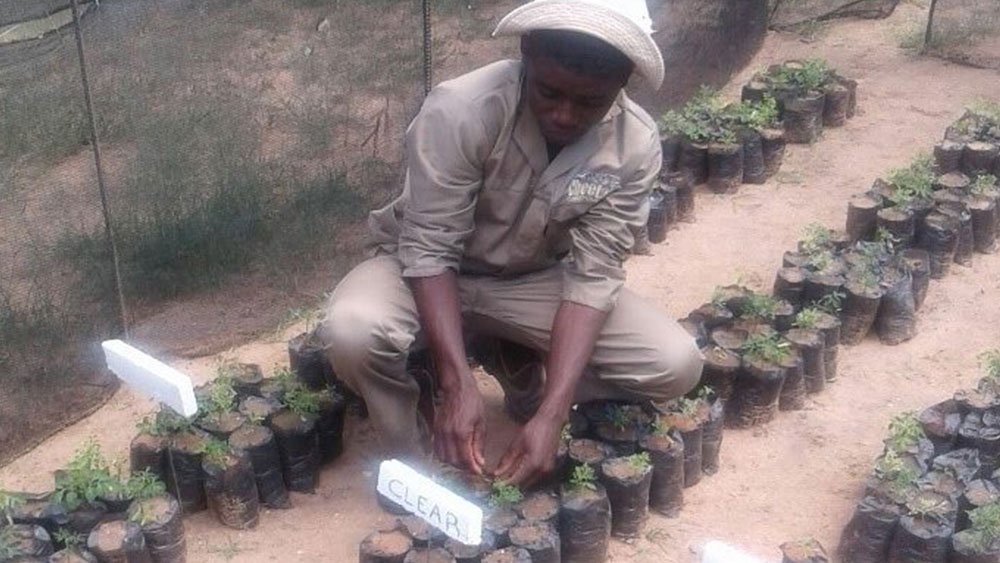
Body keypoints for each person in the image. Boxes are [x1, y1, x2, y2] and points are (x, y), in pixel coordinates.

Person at [318, 0, 703, 487]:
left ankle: (514, 359)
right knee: (353, 329)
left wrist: (553, 412)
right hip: (424, 273)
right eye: (549, 92)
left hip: (531, 281)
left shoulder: (634, 145)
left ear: (622, 81)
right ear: (526, 54)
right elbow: (430, 248)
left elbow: (594, 276)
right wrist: (457, 383)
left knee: (673, 363)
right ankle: (412, 461)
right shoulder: (463, 109)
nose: (565, 114)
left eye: (589, 102)